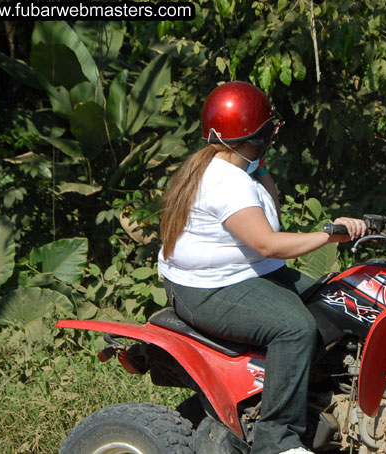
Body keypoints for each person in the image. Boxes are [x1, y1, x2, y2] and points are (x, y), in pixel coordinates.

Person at [157, 81, 366, 454]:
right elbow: (270, 243)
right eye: (268, 131)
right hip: (207, 289)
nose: (273, 138)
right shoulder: (225, 183)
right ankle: (277, 440)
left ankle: (317, 398)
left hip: (248, 270)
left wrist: (261, 166)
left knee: (338, 302)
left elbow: (271, 220)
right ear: (252, 136)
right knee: (294, 327)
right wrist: (328, 234)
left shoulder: (240, 169)